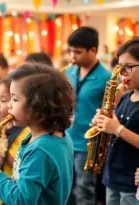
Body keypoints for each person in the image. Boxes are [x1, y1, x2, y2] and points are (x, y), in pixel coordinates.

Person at [0, 63, 75, 205]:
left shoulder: (40, 150)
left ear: (36, 106)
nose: (9, 105)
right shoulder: (58, 135)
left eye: (14, 99)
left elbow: (22, 201)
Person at [64, 26, 111, 205]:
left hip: (88, 144)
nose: (72, 57)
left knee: (84, 191)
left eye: (77, 52)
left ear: (93, 51)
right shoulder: (69, 72)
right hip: (66, 138)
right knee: (64, 188)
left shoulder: (106, 77)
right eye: (70, 51)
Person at [91, 38, 139, 205]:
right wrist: (103, 122)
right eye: (119, 67)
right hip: (113, 177)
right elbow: (114, 128)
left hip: (132, 184)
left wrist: (117, 129)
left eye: (128, 67)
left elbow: (119, 130)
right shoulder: (126, 97)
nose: (122, 73)